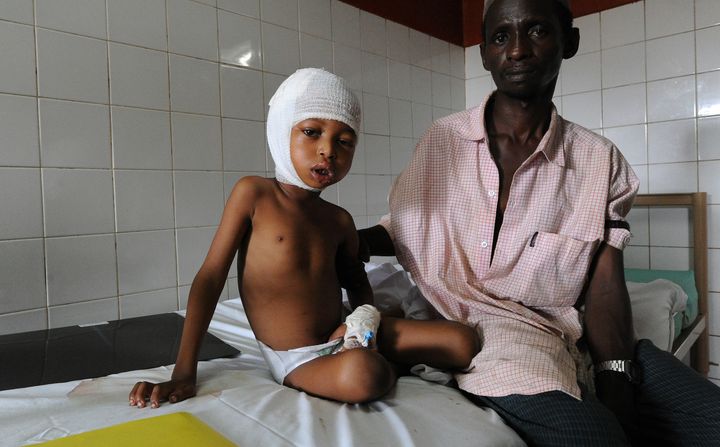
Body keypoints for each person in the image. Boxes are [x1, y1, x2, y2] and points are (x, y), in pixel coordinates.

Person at [358, 0, 720, 445]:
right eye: (500, 37)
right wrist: (336, 237)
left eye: (535, 31)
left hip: (571, 335)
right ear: (485, 55)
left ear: (569, 41)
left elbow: (605, 287)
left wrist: (615, 374)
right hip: (489, 337)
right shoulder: (443, 141)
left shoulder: (597, 160)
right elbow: (406, 230)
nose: (516, 51)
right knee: (597, 438)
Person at [128, 68, 479, 408]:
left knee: (462, 342)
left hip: (346, 332)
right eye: (312, 132)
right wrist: (184, 371)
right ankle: (388, 363)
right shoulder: (254, 195)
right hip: (299, 357)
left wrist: (361, 328)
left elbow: (357, 286)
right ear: (282, 131)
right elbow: (210, 277)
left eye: (344, 141)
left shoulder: (340, 220)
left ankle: (374, 351)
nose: (328, 150)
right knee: (363, 376)